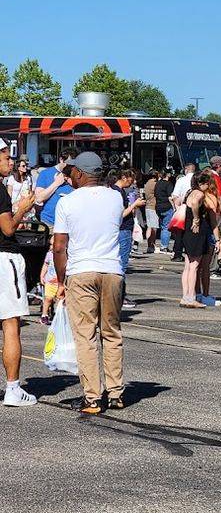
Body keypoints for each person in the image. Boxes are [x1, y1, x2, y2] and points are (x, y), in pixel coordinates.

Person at [52, 152, 126, 414]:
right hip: (112, 270)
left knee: (85, 335)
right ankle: (116, 392)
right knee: (111, 332)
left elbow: (60, 247)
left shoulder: (67, 202)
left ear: (81, 173)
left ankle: (92, 397)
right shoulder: (116, 197)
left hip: (81, 271)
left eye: (72, 172)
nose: (69, 175)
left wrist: (61, 281)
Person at [0, 146, 37, 407]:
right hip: (4, 258)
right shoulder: (0, 190)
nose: (10, 161)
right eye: (5, 157)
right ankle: (13, 388)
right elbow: (7, 228)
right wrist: (22, 208)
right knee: (10, 324)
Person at [180, 172, 219, 308]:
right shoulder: (199, 194)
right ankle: (192, 297)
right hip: (196, 231)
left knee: (187, 265)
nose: (208, 186)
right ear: (203, 183)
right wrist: (197, 218)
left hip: (186, 229)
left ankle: (185, 296)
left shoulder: (189, 192)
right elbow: (196, 203)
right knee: (194, 266)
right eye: (207, 183)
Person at [113, 168, 145, 310]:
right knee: (122, 264)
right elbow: (121, 214)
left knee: (119, 263)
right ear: (124, 177)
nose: (133, 182)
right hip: (123, 230)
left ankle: (118, 295)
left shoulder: (115, 191)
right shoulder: (118, 192)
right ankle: (120, 296)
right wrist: (134, 205)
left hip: (121, 230)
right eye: (131, 179)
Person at [34, 151, 74, 229]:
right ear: (61, 160)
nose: (70, 167)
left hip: (68, 224)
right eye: (68, 164)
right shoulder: (45, 173)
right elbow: (39, 198)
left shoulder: (74, 174)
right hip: (48, 222)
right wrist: (56, 183)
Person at [169, 162, 196, 262]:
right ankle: (191, 252)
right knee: (193, 230)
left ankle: (178, 253)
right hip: (196, 207)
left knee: (180, 231)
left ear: (186, 169)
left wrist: (176, 208)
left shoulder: (181, 180)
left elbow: (175, 196)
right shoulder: (197, 179)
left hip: (183, 207)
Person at [154, 169, 175, 253]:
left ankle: (163, 245)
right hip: (167, 206)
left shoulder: (158, 183)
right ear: (168, 175)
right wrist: (174, 207)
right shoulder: (168, 184)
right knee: (166, 227)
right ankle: (164, 246)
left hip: (158, 207)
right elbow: (171, 197)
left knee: (163, 226)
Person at [143, 170, 159, 253]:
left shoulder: (147, 184)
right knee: (154, 227)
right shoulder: (155, 184)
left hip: (147, 206)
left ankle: (149, 245)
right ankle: (152, 245)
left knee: (149, 226)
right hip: (153, 206)